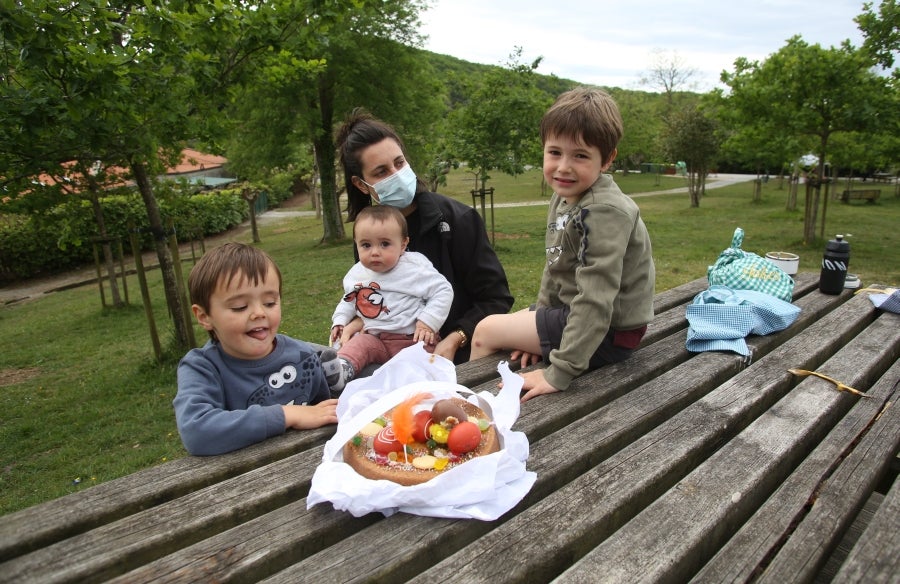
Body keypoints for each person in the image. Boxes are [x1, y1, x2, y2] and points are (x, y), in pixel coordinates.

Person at [469, 87, 656, 402]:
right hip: (581, 316)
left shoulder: (604, 210)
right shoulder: (566, 195)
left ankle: (475, 411)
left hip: (611, 332)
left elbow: (597, 299)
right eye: (555, 152)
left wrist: (559, 369)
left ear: (607, 159)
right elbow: (555, 263)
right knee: (507, 330)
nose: (563, 167)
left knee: (485, 331)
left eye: (580, 155)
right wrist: (539, 328)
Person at [335, 108, 514, 365]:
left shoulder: (458, 220)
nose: (396, 175)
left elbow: (496, 298)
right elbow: (376, 291)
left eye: (399, 163)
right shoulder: (368, 233)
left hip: (461, 360)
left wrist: (455, 338)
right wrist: (356, 320)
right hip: (389, 360)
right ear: (362, 185)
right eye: (381, 172)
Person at [174, 243, 338, 456]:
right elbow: (196, 431)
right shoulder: (202, 368)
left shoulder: (303, 357)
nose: (259, 313)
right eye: (240, 307)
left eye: (270, 303)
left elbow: (324, 414)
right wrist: (287, 415)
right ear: (204, 316)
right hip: (240, 480)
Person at [326, 205, 453, 392]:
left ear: (403, 245)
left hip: (412, 339)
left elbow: (443, 290)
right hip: (376, 339)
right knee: (360, 345)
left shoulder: (413, 268)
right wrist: (339, 321)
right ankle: (341, 369)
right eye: (366, 245)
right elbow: (350, 300)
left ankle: (422, 390)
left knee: (420, 369)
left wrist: (427, 322)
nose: (375, 252)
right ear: (356, 244)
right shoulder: (357, 274)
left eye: (385, 244)